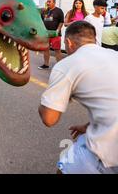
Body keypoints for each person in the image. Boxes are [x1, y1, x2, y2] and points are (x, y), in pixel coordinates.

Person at [39, 21, 118, 174]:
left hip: (110, 150)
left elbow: (49, 119)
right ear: (94, 40)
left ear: (68, 42)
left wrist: (43, 103)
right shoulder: (114, 55)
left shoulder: (66, 65)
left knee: (64, 169)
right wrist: (88, 126)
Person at [38, 0, 64, 70]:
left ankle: (60, 67)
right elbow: (41, 21)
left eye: (50, 1)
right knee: (46, 49)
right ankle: (46, 64)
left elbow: (61, 22)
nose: (48, 3)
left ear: (54, 3)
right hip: (46, 34)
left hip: (55, 34)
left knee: (57, 50)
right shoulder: (45, 11)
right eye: (47, 1)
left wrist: (58, 30)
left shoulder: (59, 11)